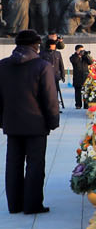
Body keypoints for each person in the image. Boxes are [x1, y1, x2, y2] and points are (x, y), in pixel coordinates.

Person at [0, 29, 60, 214]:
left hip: (12, 123)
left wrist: (2, 120)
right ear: (35, 45)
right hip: (36, 123)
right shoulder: (42, 66)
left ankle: (15, 205)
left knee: (13, 164)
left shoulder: (3, 65)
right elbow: (49, 98)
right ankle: (32, 205)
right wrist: (52, 121)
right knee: (35, 164)